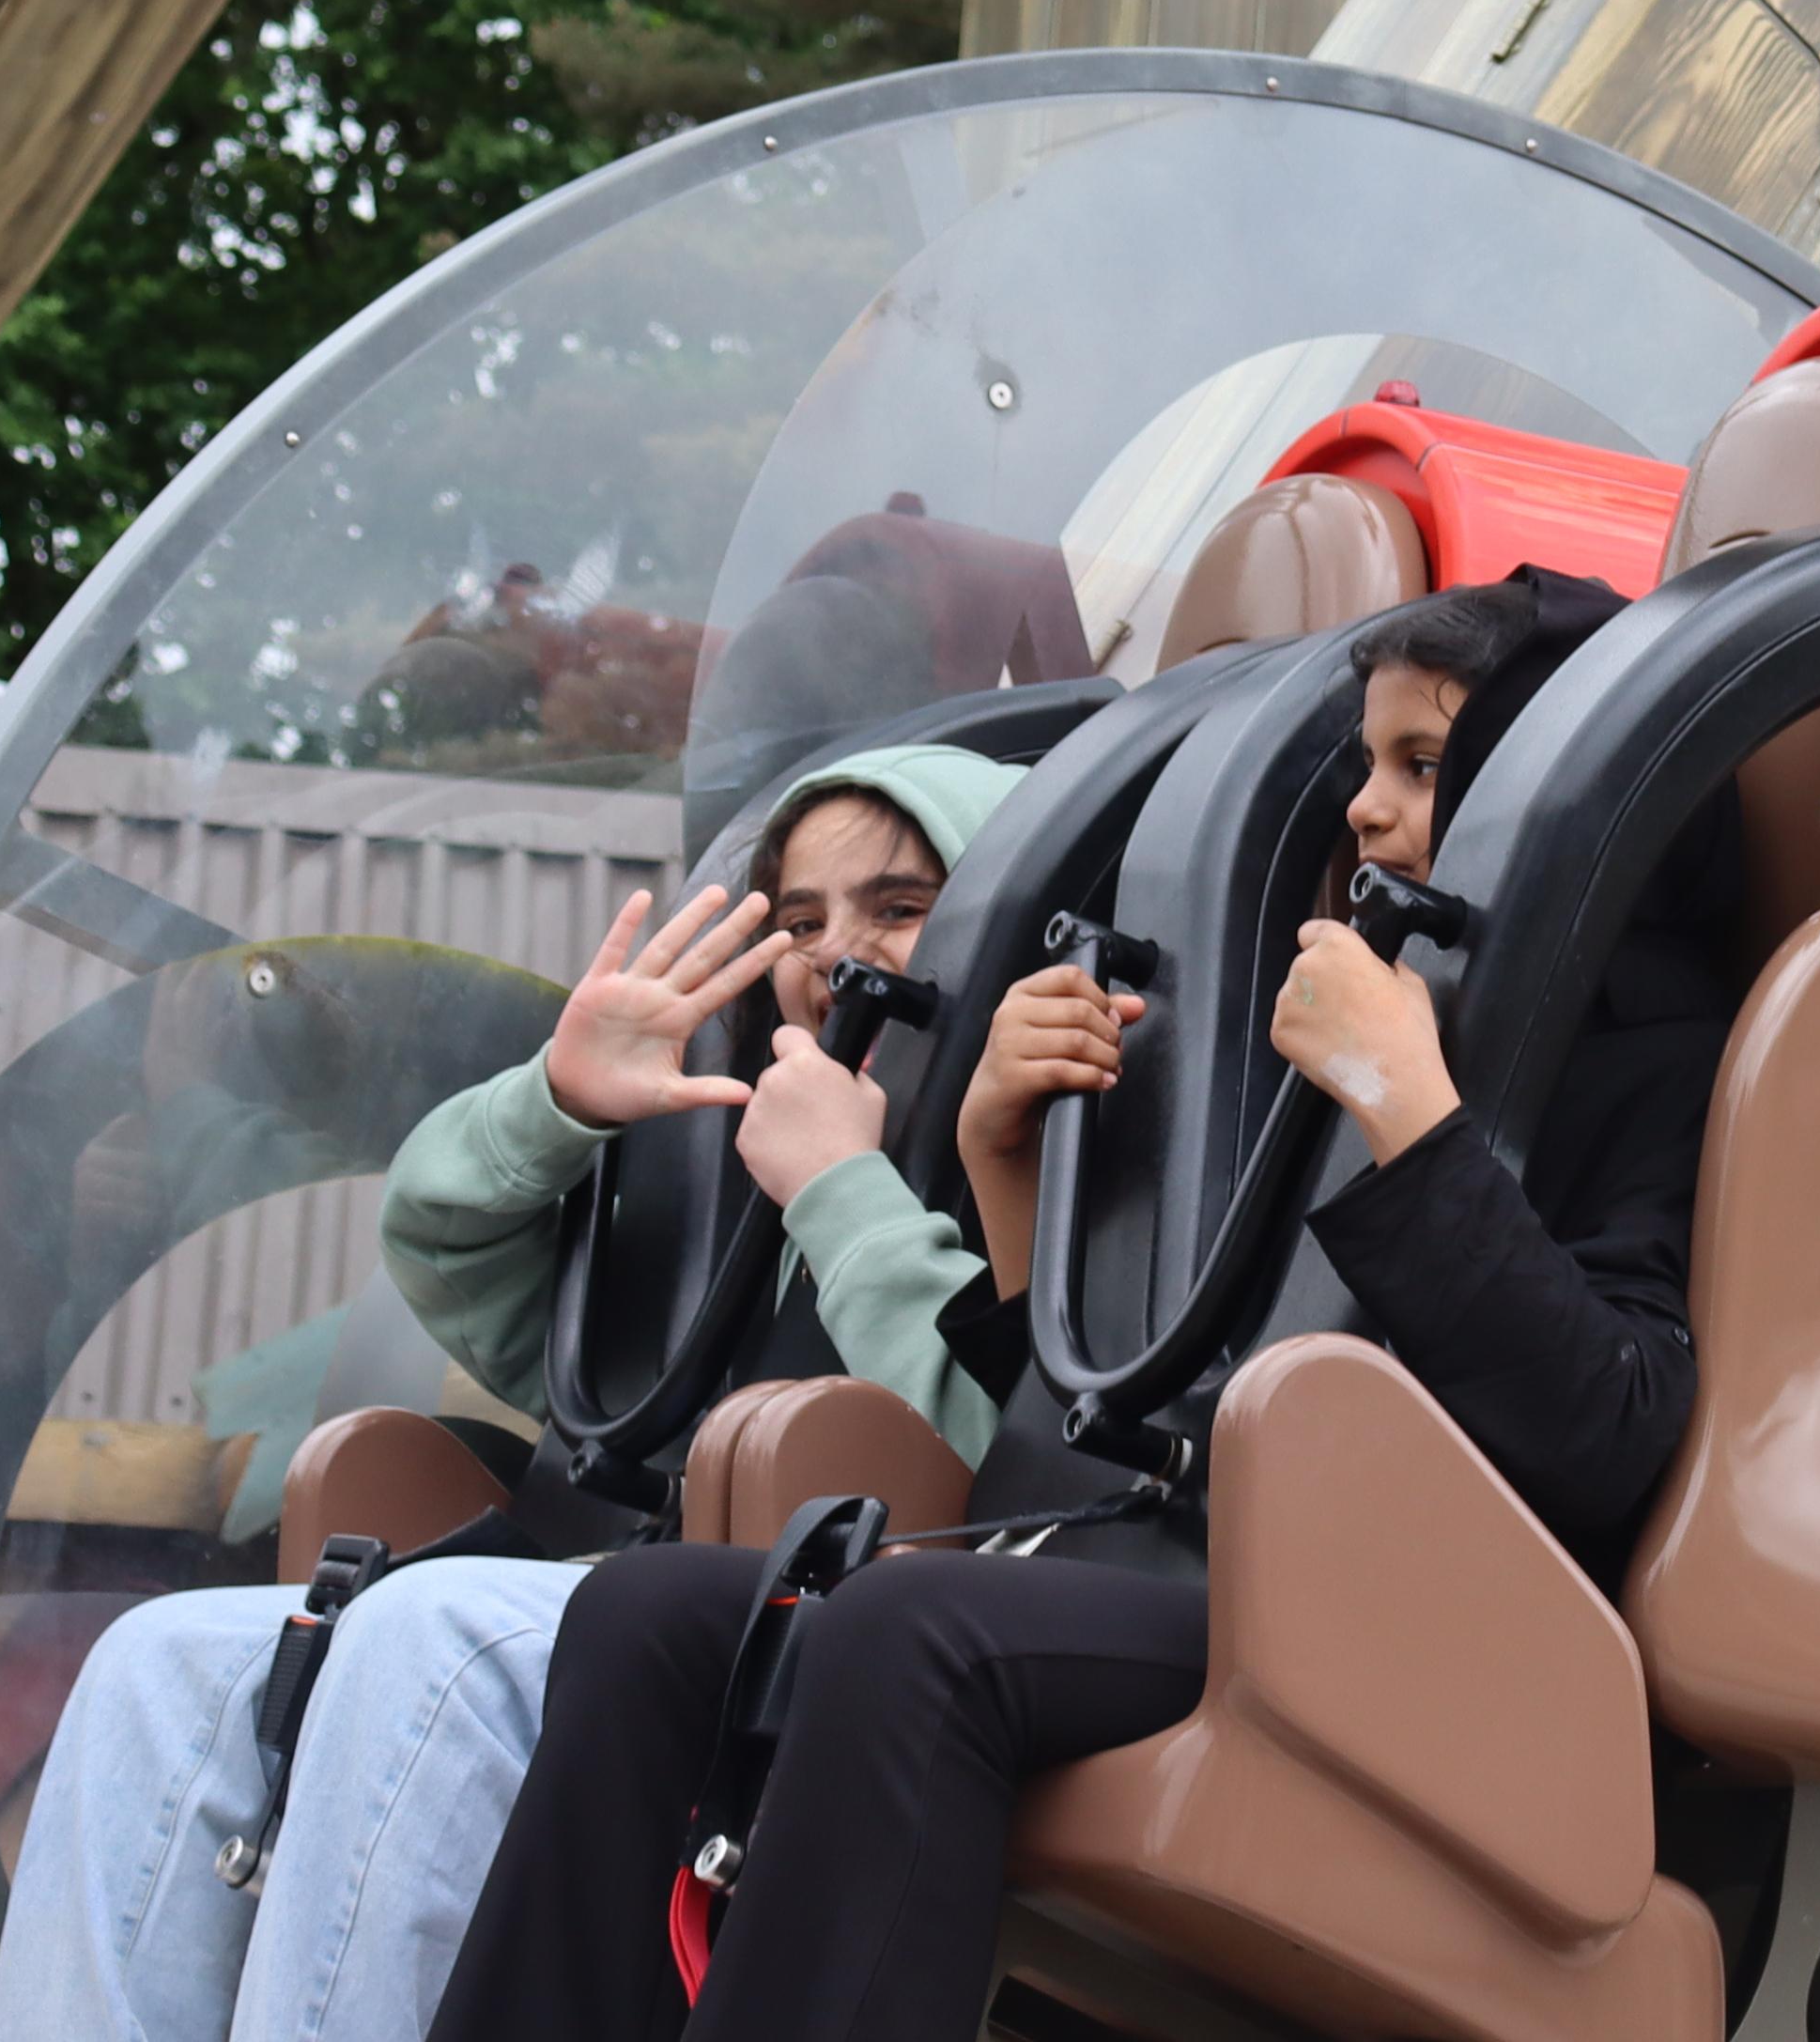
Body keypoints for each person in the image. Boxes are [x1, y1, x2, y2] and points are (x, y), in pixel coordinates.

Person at [416, 568, 1712, 2042]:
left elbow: (1608, 1429)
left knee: (908, 1634)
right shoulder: (1321, 1019)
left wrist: (1404, 1104)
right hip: (1185, 1559)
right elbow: (1117, 1395)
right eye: (1366, 762)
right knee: (649, 1615)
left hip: (1400, 1620)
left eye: (1421, 765)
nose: (1361, 807)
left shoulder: (1642, 1058)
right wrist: (1003, 1155)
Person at [0, 740, 1121, 2042]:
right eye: (801, 921)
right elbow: (439, 1240)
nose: (835, 955)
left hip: (828, 1639)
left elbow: (1014, 1468)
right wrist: (557, 1102)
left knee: (436, 1638)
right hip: (644, 1610)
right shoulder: (735, 1169)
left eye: (901, 907)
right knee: (153, 1666)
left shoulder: (1053, 1148)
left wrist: (841, 1192)